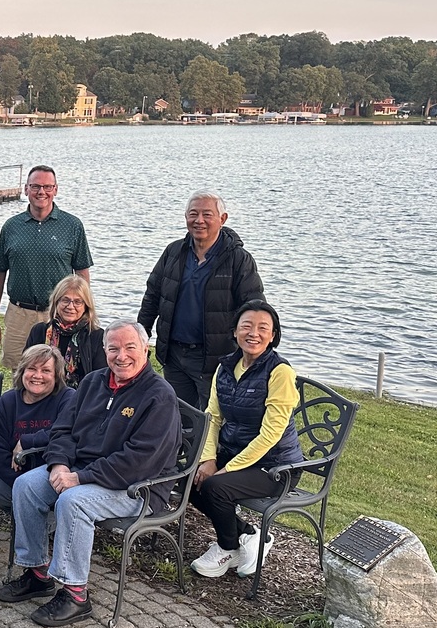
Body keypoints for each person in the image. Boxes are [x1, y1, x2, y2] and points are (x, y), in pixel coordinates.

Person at [0, 320, 181, 628]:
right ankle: (38, 573)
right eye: (113, 349)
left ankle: (76, 594)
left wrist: (78, 479)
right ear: (105, 351)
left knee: (74, 502)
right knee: (26, 485)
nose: (121, 356)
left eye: (130, 348)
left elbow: (139, 462)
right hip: (80, 471)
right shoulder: (94, 382)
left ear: (145, 349)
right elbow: (63, 429)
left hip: (136, 488)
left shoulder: (159, 396)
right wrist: (59, 464)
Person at [189, 300, 303, 578]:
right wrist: (208, 459)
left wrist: (228, 469)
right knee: (189, 479)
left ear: (273, 335)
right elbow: (212, 417)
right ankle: (249, 534)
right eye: (247, 326)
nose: (254, 333)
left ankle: (227, 547)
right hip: (234, 453)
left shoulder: (280, 372)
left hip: (275, 465)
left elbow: (271, 435)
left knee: (216, 487)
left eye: (263, 328)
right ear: (235, 331)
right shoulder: (225, 367)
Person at [138, 189, 265, 409]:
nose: (199, 221)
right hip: (175, 356)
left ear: (222, 219)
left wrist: (252, 351)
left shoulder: (238, 260)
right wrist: (141, 335)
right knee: (177, 417)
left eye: (207, 215)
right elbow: (152, 296)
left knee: (211, 421)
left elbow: (254, 309)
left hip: (215, 360)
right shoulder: (173, 252)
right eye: (193, 214)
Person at [0, 164, 93, 371]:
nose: (41, 192)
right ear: (26, 189)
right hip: (19, 313)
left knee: (58, 371)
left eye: (47, 187)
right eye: (35, 186)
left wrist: (84, 313)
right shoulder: (11, 226)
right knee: (19, 371)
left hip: (58, 315)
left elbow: (82, 273)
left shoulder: (72, 226)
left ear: (56, 189)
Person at [0, 345, 72, 509]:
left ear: (56, 376)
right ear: (22, 371)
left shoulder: (67, 398)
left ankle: (47, 520)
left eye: (46, 371)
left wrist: (27, 441)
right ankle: (34, 520)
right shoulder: (8, 401)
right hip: (15, 477)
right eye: (31, 369)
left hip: (52, 475)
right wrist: (22, 486)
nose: (38, 376)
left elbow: (65, 432)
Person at [24, 275, 107, 390]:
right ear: (56, 302)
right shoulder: (39, 331)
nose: (70, 306)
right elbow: (25, 368)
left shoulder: (96, 336)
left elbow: (100, 379)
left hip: (79, 398)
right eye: (65, 300)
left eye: (78, 302)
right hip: (41, 393)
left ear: (86, 306)